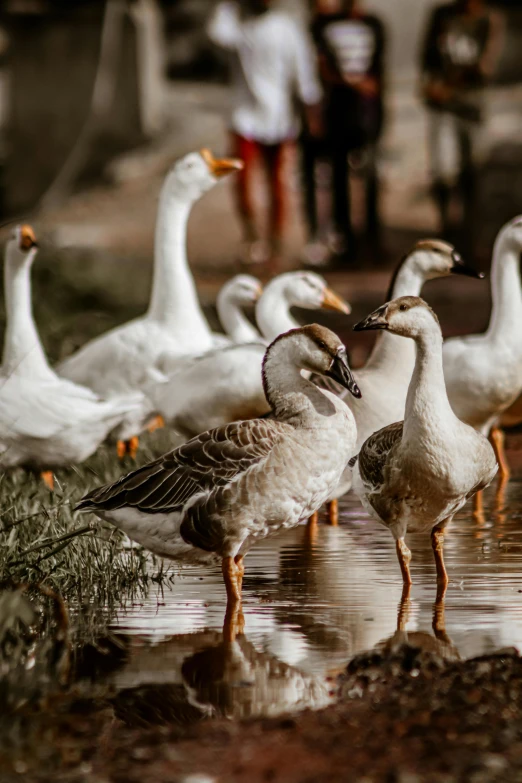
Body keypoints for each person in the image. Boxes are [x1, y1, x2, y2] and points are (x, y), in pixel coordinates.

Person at [208, 0, 323, 266]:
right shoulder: (240, 26)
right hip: (245, 116)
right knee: (241, 178)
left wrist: (312, 114)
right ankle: (251, 236)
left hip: (280, 118)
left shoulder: (286, 29)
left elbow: (304, 73)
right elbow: (216, 33)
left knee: (277, 181)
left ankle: (275, 243)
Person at [302, 0, 386, 267]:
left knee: (370, 179)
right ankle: (345, 243)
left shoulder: (375, 25)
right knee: (338, 182)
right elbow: (320, 66)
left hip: (367, 114)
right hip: (337, 115)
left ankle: (372, 241)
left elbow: (380, 72)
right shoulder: (322, 26)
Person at [420, 0, 502, 241]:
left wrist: (453, 83)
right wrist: (431, 86)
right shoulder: (442, 16)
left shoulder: (489, 20)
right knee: (442, 170)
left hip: (471, 106)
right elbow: (427, 57)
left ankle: (470, 230)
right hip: (442, 105)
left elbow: (486, 67)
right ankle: (445, 225)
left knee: (472, 170)